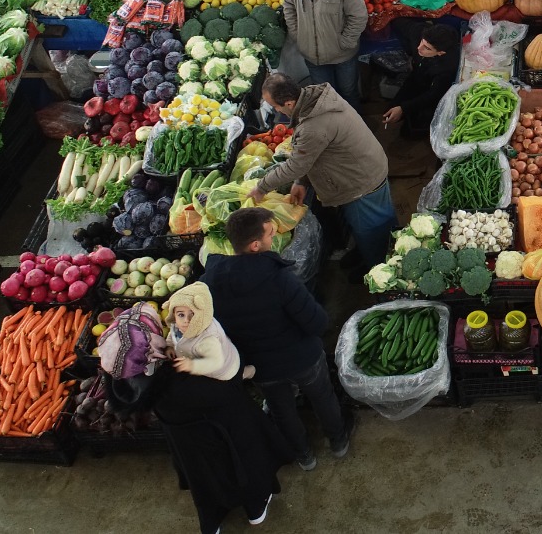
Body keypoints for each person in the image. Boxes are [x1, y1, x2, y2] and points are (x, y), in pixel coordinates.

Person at [99, 303, 290, 534]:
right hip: (223, 435)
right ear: (148, 347)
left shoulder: (128, 378)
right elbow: (226, 388)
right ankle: (255, 511)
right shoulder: (180, 378)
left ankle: (212, 523)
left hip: (187, 446)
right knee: (245, 472)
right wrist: (240, 370)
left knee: (205, 484)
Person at [203, 207, 355, 471]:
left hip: (260, 367)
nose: (274, 238)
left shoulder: (210, 283)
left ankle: (305, 457)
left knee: (281, 409)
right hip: (301, 359)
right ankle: (338, 441)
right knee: (322, 396)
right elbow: (316, 322)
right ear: (254, 245)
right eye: (270, 234)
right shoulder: (280, 279)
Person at [253, 74, 396, 267]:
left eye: (275, 106)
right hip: (362, 169)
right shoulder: (314, 98)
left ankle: (378, 266)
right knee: (369, 227)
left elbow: (296, 164)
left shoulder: (314, 125)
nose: (275, 110)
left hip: (361, 183)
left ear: (288, 103)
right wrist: (301, 182)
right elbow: (311, 155)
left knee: (372, 230)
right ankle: (366, 252)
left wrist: (262, 187)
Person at [284, 0, 368, 107]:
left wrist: (344, 42)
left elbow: (359, 16)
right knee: (325, 97)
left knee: (348, 94)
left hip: (342, 57)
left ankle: (353, 130)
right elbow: (289, 6)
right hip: (313, 59)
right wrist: (297, 35)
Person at [381, 23, 461, 137]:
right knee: (392, 107)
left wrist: (404, 108)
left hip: (430, 94)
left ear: (440, 53)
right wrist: (397, 104)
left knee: (408, 133)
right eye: (421, 42)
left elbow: (433, 95)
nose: (419, 48)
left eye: (427, 48)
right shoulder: (420, 33)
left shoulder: (446, 70)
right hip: (416, 77)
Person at [165, 282, 252, 382]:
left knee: (234, 377)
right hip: (206, 357)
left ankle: (247, 373)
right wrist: (170, 345)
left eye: (192, 314)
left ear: (202, 314)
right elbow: (173, 332)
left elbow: (216, 362)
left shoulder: (207, 339)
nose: (186, 320)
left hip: (223, 368)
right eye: (181, 315)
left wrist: (192, 365)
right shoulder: (179, 325)